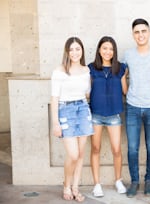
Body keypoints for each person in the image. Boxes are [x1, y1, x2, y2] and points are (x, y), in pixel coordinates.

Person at [123, 18, 150, 198]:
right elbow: (121, 75)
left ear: (149, 33)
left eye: (143, 31)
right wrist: (126, 93)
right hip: (133, 107)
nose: (140, 35)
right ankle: (134, 181)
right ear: (133, 35)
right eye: (137, 32)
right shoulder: (127, 55)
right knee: (133, 148)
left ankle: (149, 180)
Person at [51, 37, 94, 202]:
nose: (75, 52)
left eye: (78, 49)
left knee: (81, 153)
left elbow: (87, 93)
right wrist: (56, 123)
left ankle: (75, 187)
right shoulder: (59, 71)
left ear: (82, 51)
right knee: (73, 154)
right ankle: (66, 185)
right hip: (65, 110)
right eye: (72, 49)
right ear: (67, 52)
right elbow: (54, 98)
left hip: (83, 109)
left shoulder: (86, 71)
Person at [88, 36, 128, 197]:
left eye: (111, 49)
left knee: (116, 149)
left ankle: (118, 180)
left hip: (113, 115)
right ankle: (97, 184)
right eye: (104, 48)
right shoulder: (90, 68)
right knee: (96, 148)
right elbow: (87, 92)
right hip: (96, 114)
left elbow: (125, 91)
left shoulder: (121, 68)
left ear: (114, 51)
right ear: (99, 50)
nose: (107, 51)